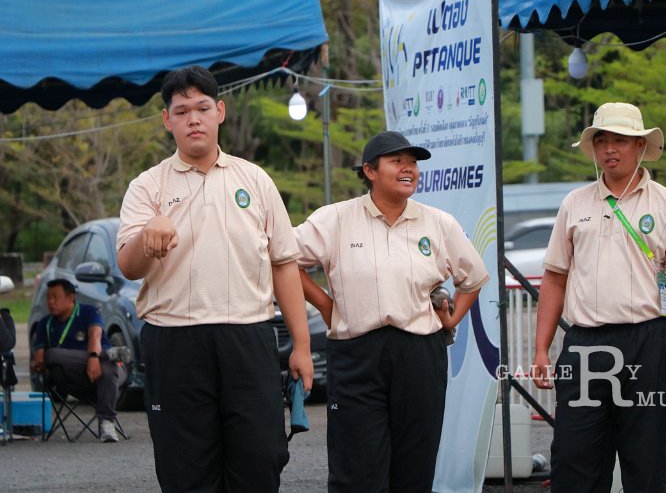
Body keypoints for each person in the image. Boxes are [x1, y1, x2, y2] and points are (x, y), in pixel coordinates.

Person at [116, 65, 313, 492]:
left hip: (248, 336)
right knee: (186, 469)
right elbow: (128, 267)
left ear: (220, 111)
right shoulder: (147, 187)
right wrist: (146, 241)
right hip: (174, 341)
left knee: (261, 459)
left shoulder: (255, 180)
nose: (193, 119)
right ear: (167, 120)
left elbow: (284, 263)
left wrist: (301, 344)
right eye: (182, 110)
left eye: (203, 108)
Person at [294, 130, 490, 492]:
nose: (408, 169)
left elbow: (474, 278)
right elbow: (285, 258)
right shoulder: (336, 218)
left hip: (419, 353)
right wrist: (323, 304)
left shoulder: (438, 222)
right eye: (397, 161)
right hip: (356, 354)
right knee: (357, 468)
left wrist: (453, 319)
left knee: (414, 465)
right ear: (370, 171)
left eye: (412, 163)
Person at [532, 102, 666, 492]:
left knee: (643, 460)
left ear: (641, 146)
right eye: (602, 140)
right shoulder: (574, 203)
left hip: (648, 343)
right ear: (593, 148)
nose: (610, 148)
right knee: (573, 459)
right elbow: (554, 277)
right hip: (584, 345)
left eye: (621, 140)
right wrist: (542, 348)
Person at [30, 279, 127, 442]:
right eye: (48, 297)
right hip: (73, 376)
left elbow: (95, 334)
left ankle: (106, 423)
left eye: (55, 297)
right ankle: (108, 354)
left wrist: (94, 357)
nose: (50, 302)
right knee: (52, 354)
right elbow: (40, 358)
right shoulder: (45, 324)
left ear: (71, 298)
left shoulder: (88, 312)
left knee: (108, 369)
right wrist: (38, 363)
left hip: (109, 373)